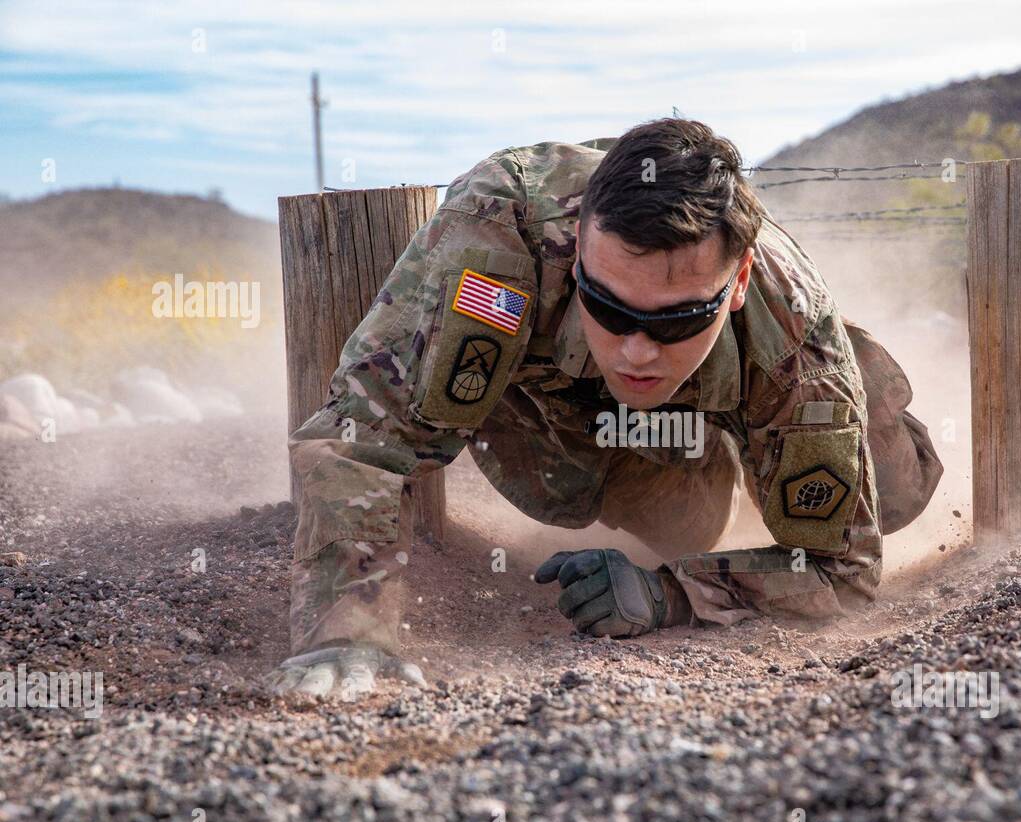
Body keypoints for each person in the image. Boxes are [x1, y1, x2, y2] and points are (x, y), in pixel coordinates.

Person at [270, 118, 942, 698]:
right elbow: (362, 438)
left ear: (734, 284)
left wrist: (669, 594)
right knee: (667, 521)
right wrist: (348, 635)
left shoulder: (792, 341)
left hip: (748, 377)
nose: (637, 351)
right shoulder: (498, 238)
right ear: (579, 251)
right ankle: (685, 452)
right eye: (610, 308)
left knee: (893, 492)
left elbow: (842, 573)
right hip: (560, 388)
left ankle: (772, 423)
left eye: (676, 320)